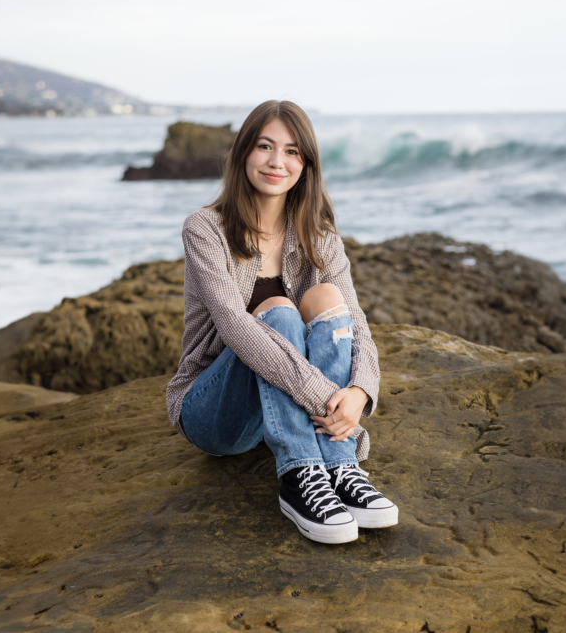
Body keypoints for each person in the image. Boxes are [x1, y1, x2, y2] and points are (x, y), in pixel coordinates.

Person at [165, 100, 398, 544]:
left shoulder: (320, 234)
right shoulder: (205, 228)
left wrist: (361, 391)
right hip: (213, 413)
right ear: (243, 155)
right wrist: (327, 396)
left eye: (292, 151)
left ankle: (339, 467)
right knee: (278, 312)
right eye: (265, 146)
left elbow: (356, 322)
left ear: (306, 164)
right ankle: (300, 477)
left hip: (283, 408)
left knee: (328, 297)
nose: (277, 162)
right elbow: (235, 327)